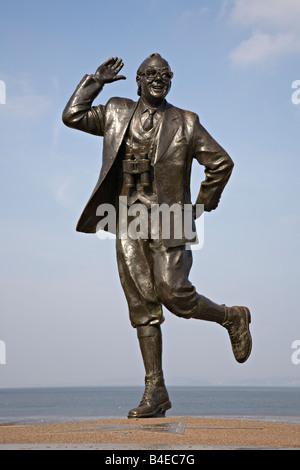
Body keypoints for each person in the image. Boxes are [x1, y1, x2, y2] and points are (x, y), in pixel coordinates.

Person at [62, 54, 252, 418]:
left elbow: (221, 162)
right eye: (150, 74)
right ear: (138, 80)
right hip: (127, 217)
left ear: (171, 80)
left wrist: (201, 204)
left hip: (170, 218)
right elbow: (72, 116)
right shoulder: (117, 112)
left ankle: (232, 317)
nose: (158, 79)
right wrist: (95, 82)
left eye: (164, 75)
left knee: (173, 294)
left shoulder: (186, 122)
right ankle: (156, 390)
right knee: (142, 307)